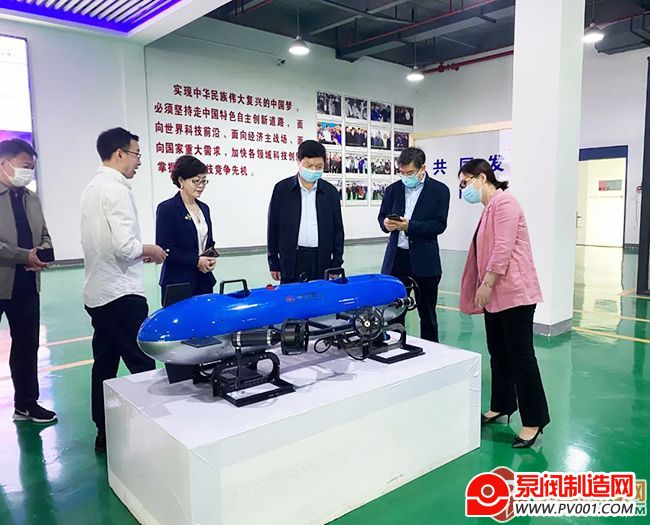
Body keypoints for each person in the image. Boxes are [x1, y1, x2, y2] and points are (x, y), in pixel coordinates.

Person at [80, 127, 167, 452]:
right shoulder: (115, 190)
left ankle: (104, 430)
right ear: (119, 153)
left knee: (104, 364)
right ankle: (151, 431)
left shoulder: (92, 188)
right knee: (141, 364)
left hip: (99, 292)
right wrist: (150, 250)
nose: (139, 162)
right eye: (136, 154)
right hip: (121, 294)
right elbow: (124, 246)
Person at [458, 158, 550, 448]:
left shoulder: (505, 204)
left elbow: (503, 249)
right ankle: (502, 404)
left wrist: (486, 284)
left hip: (514, 294)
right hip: (496, 295)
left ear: (482, 177)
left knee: (521, 357)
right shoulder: (489, 208)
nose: (464, 189)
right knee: (498, 352)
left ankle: (534, 420)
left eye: (465, 182)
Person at [0, 139, 56, 423]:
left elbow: (44, 233)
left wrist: (43, 251)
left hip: (26, 282)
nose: (29, 172)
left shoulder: (31, 198)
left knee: (26, 346)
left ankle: (26, 404)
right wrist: (24, 255)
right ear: (4, 163)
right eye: (25, 166)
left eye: (32, 168)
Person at [378, 147, 449, 343]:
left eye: (409, 173)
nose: (405, 177)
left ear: (422, 169)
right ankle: (394, 347)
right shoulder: (392, 190)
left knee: (427, 314)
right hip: (397, 259)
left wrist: (410, 226)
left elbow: (439, 224)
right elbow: (382, 216)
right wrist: (385, 223)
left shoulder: (439, 191)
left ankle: (432, 352)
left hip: (425, 261)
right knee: (393, 312)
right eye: (401, 172)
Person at [267, 140, 344, 284]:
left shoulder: (331, 192)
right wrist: (273, 261)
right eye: (309, 166)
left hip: (321, 259)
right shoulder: (282, 190)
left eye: (319, 166)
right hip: (291, 259)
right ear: (298, 161)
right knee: (291, 296)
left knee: (320, 295)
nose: (314, 170)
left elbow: (338, 231)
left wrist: (337, 262)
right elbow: (273, 227)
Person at [156, 156, 217, 303]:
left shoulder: (204, 208)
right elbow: (165, 248)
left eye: (204, 181)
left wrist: (210, 258)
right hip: (178, 282)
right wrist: (196, 261)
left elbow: (208, 242)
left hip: (203, 280)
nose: (201, 186)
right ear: (181, 180)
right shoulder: (167, 208)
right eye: (196, 181)